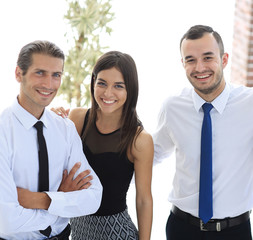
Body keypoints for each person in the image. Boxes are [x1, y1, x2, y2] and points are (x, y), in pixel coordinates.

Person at [153, 25, 253, 240]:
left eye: (208, 57)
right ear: (183, 64)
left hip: (235, 232)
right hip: (182, 229)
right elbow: (151, 155)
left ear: (224, 59)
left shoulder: (250, 104)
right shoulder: (173, 107)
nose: (199, 67)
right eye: (190, 60)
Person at [0, 40, 102, 240]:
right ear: (18, 74)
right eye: (40, 73)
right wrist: (61, 201)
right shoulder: (2, 132)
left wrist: (43, 200)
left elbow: (94, 197)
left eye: (56, 75)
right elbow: (6, 219)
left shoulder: (64, 128)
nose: (49, 84)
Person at [52, 51, 153, 240]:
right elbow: (53, 166)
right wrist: (52, 120)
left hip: (117, 233)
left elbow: (144, 200)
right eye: (102, 83)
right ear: (93, 83)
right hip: (78, 230)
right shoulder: (78, 118)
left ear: (130, 90)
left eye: (118, 86)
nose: (108, 93)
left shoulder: (139, 140)